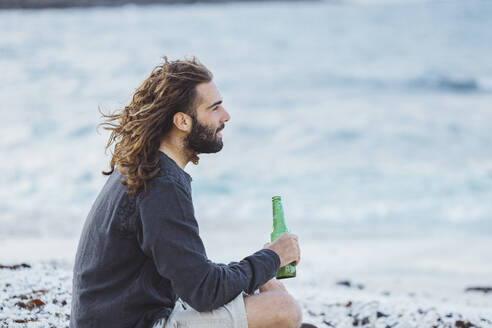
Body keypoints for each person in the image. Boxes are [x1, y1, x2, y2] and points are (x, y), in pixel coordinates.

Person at [70, 57, 302, 328]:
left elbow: (192, 275)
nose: (226, 116)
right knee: (283, 309)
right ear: (182, 121)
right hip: (133, 322)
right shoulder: (161, 184)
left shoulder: (143, 166)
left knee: (269, 284)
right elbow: (204, 291)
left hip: (120, 314)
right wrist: (273, 257)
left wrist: (269, 260)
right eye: (214, 108)